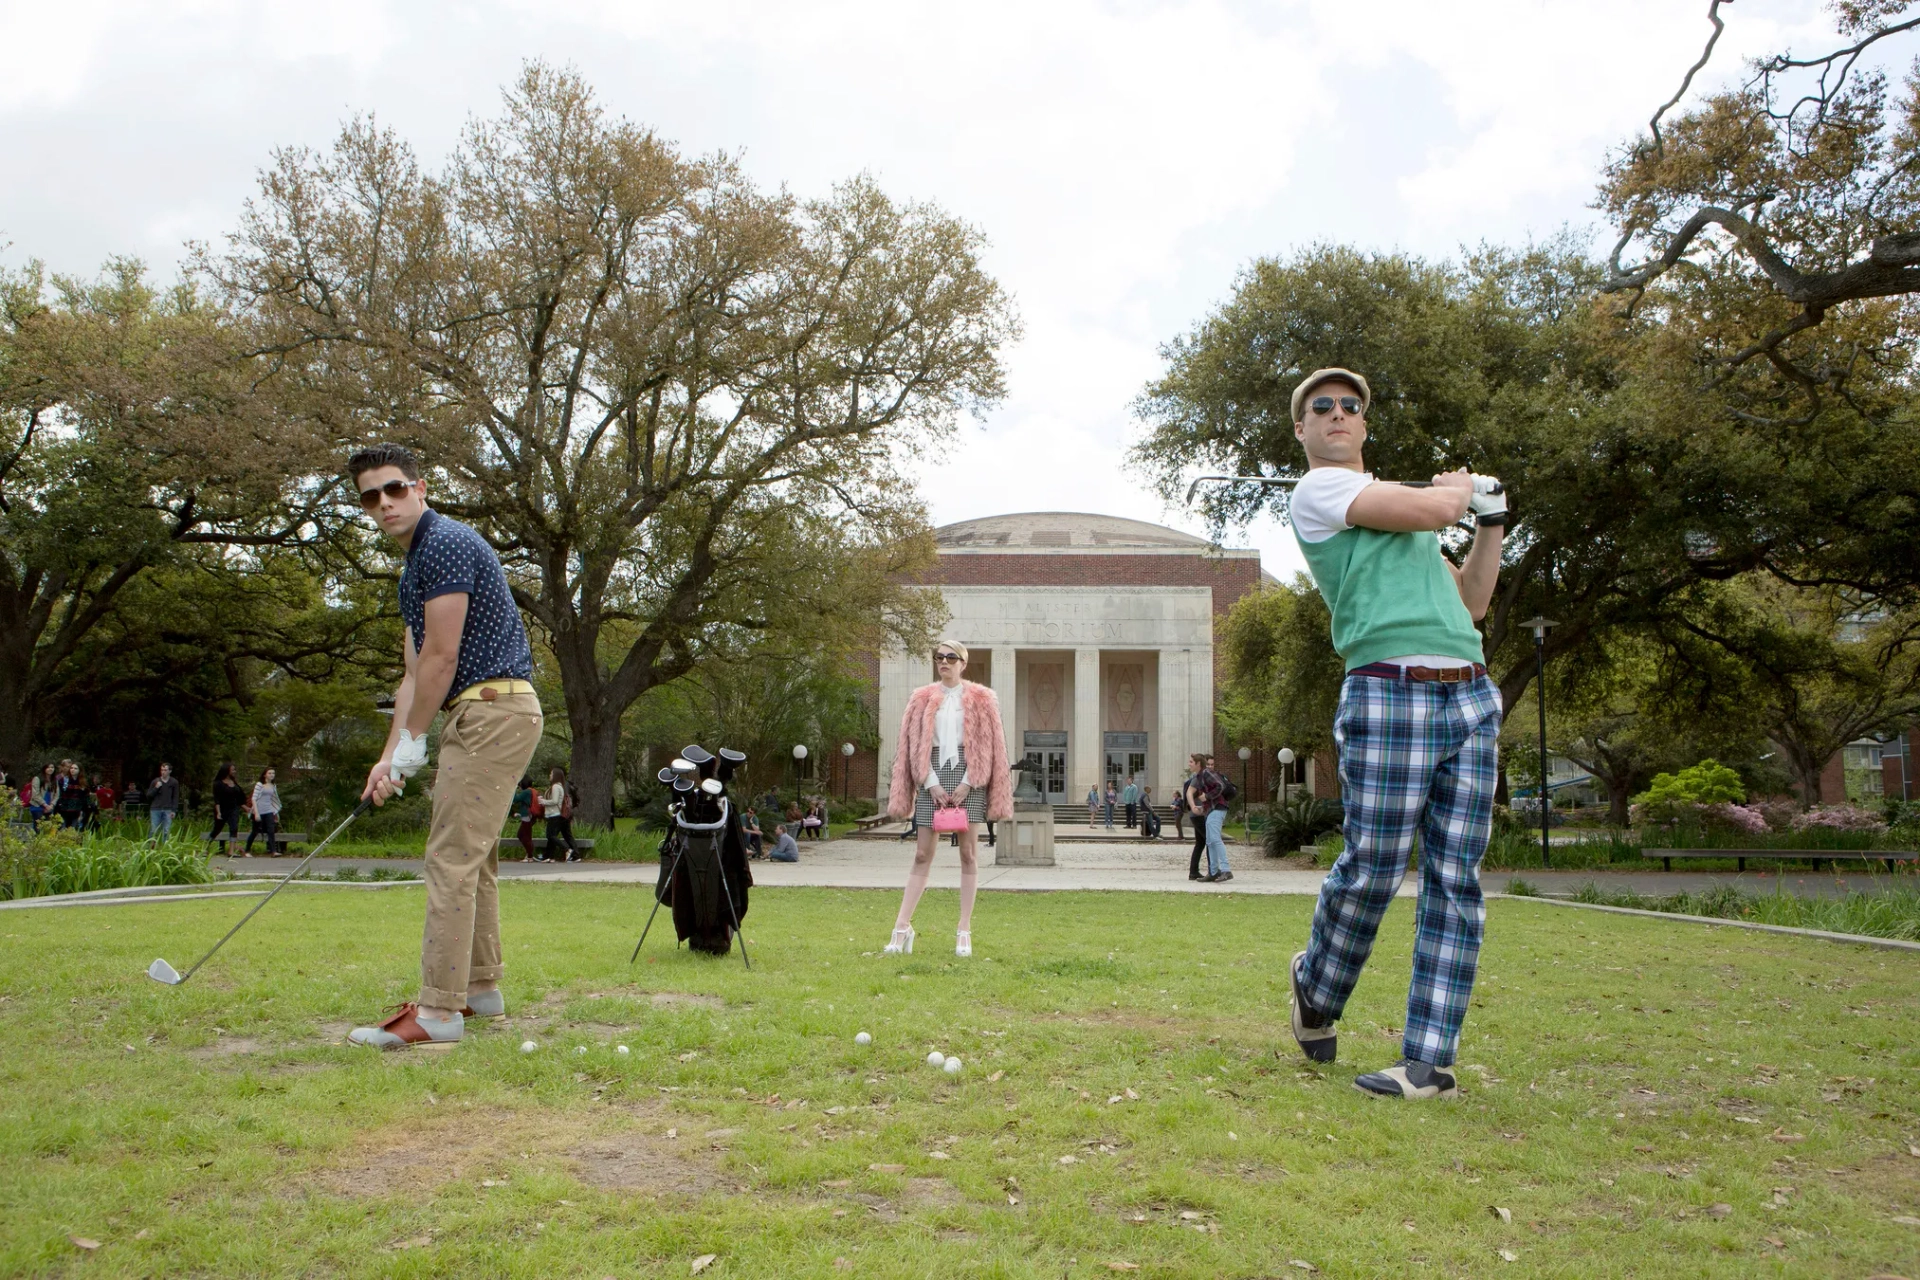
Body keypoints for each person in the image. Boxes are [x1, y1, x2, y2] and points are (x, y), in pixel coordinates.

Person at [1280, 368, 1507, 1101]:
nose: (1339, 413)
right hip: (1387, 691)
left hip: (1468, 693)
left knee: (1454, 880)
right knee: (1375, 867)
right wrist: (1461, 490)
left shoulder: (1406, 523)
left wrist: (1492, 524)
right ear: (1303, 429)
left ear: (1365, 426)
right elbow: (1436, 505)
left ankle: (1428, 1062)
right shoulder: (1320, 492)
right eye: (1323, 407)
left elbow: (1471, 601)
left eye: (1352, 406)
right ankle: (1316, 984)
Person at [346, 442, 542, 1051]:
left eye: (394, 489)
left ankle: (439, 1012)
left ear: (420, 488)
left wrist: (414, 744)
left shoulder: (448, 544)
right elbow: (412, 676)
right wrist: (390, 756)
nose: (384, 503)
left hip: (492, 709)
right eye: (370, 496)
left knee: (449, 858)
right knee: (473, 858)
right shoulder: (414, 571)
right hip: (471, 714)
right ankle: (479, 990)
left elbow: (442, 657)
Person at [882, 639, 1012, 958]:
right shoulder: (922, 698)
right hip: (933, 775)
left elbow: (990, 744)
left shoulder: (982, 699)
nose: (944, 661)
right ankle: (901, 927)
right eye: (939, 657)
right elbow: (911, 744)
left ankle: (964, 929)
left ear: (963, 663)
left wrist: (970, 782)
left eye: (951, 657)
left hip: (970, 776)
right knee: (922, 854)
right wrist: (930, 782)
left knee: (968, 854)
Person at [1183, 753, 1214, 881]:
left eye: (1191, 762)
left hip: (1198, 814)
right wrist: (1194, 807)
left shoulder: (1200, 776)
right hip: (1199, 815)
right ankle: (1212, 871)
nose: (1210, 767)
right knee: (1210, 841)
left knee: (1200, 843)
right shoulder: (1199, 777)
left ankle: (1193, 872)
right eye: (1208, 764)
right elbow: (1189, 793)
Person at [542, 766, 580, 862]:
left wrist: (543, 802)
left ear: (555, 775)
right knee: (563, 834)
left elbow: (554, 801)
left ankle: (567, 849)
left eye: (551, 774)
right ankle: (548, 856)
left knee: (551, 835)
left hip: (555, 814)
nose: (549, 775)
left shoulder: (556, 786)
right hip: (563, 814)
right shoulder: (562, 785)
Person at [207, 762, 246, 852]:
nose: (234, 771)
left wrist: (246, 808)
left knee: (234, 828)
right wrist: (218, 812)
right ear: (227, 770)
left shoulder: (234, 783)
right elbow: (217, 799)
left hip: (234, 809)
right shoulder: (218, 783)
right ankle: (205, 847)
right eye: (233, 769)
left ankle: (231, 851)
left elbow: (239, 798)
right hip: (222, 809)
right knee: (217, 829)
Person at [246, 768, 283, 856]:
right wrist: (256, 813)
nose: (272, 775)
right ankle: (247, 850)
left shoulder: (273, 785)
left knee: (271, 830)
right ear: (265, 775)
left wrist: (275, 812)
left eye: (273, 773)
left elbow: (273, 799)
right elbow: (254, 799)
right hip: (259, 810)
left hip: (269, 810)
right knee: (255, 831)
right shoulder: (260, 785)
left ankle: (273, 851)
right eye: (269, 773)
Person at [147, 763, 181, 840]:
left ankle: (164, 847)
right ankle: (150, 847)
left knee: (166, 830)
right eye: (162, 770)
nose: (163, 772)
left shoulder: (174, 782)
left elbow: (175, 797)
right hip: (156, 809)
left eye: (165, 770)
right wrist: (156, 788)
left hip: (168, 809)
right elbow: (149, 795)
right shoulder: (155, 781)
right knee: (154, 830)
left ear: (170, 771)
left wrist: (174, 810)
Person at [509, 777, 535, 860]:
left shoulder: (526, 792)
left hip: (527, 816)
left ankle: (530, 855)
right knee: (523, 835)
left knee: (524, 836)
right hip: (528, 815)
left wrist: (513, 790)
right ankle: (529, 854)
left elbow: (516, 799)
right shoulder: (530, 791)